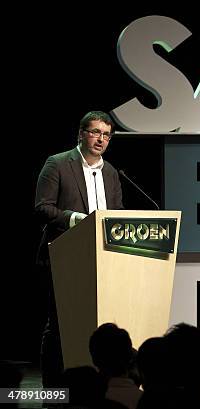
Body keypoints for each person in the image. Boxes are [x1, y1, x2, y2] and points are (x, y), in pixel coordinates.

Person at [35, 111, 123, 387]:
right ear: (81, 134)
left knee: (97, 324)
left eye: (106, 135)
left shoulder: (111, 172)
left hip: (102, 258)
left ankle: (91, 386)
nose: (101, 139)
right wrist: (76, 220)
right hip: (64, 257)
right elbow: (42, 208)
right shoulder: (58, 163)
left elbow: (116, 214)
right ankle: (53, 391)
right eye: (96, 132)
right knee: (60, 326)